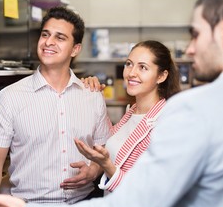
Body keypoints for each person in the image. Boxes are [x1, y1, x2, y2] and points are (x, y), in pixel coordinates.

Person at [0, 0, 223, 207]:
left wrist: (96, 170)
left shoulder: (187, 110)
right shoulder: (125, 110)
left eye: (196, 34)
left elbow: (132, 206)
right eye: (129, 64)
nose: (189, 49)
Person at [0, 6, 109, 207]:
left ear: (75, 49)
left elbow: (103, 151)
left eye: (60, 37)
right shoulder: (10, 96)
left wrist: (94, 171)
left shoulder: (92, 96)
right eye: (45, 35)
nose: (48, 42)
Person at [76, 40, 180, 193]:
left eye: (142, 67)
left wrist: (107, 165)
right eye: (129, 64)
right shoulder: (132, 111)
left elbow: (148, 191)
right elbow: (110, 142)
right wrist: (94, 92)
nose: (131, 73)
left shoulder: (165, 123)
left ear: (161, 76)